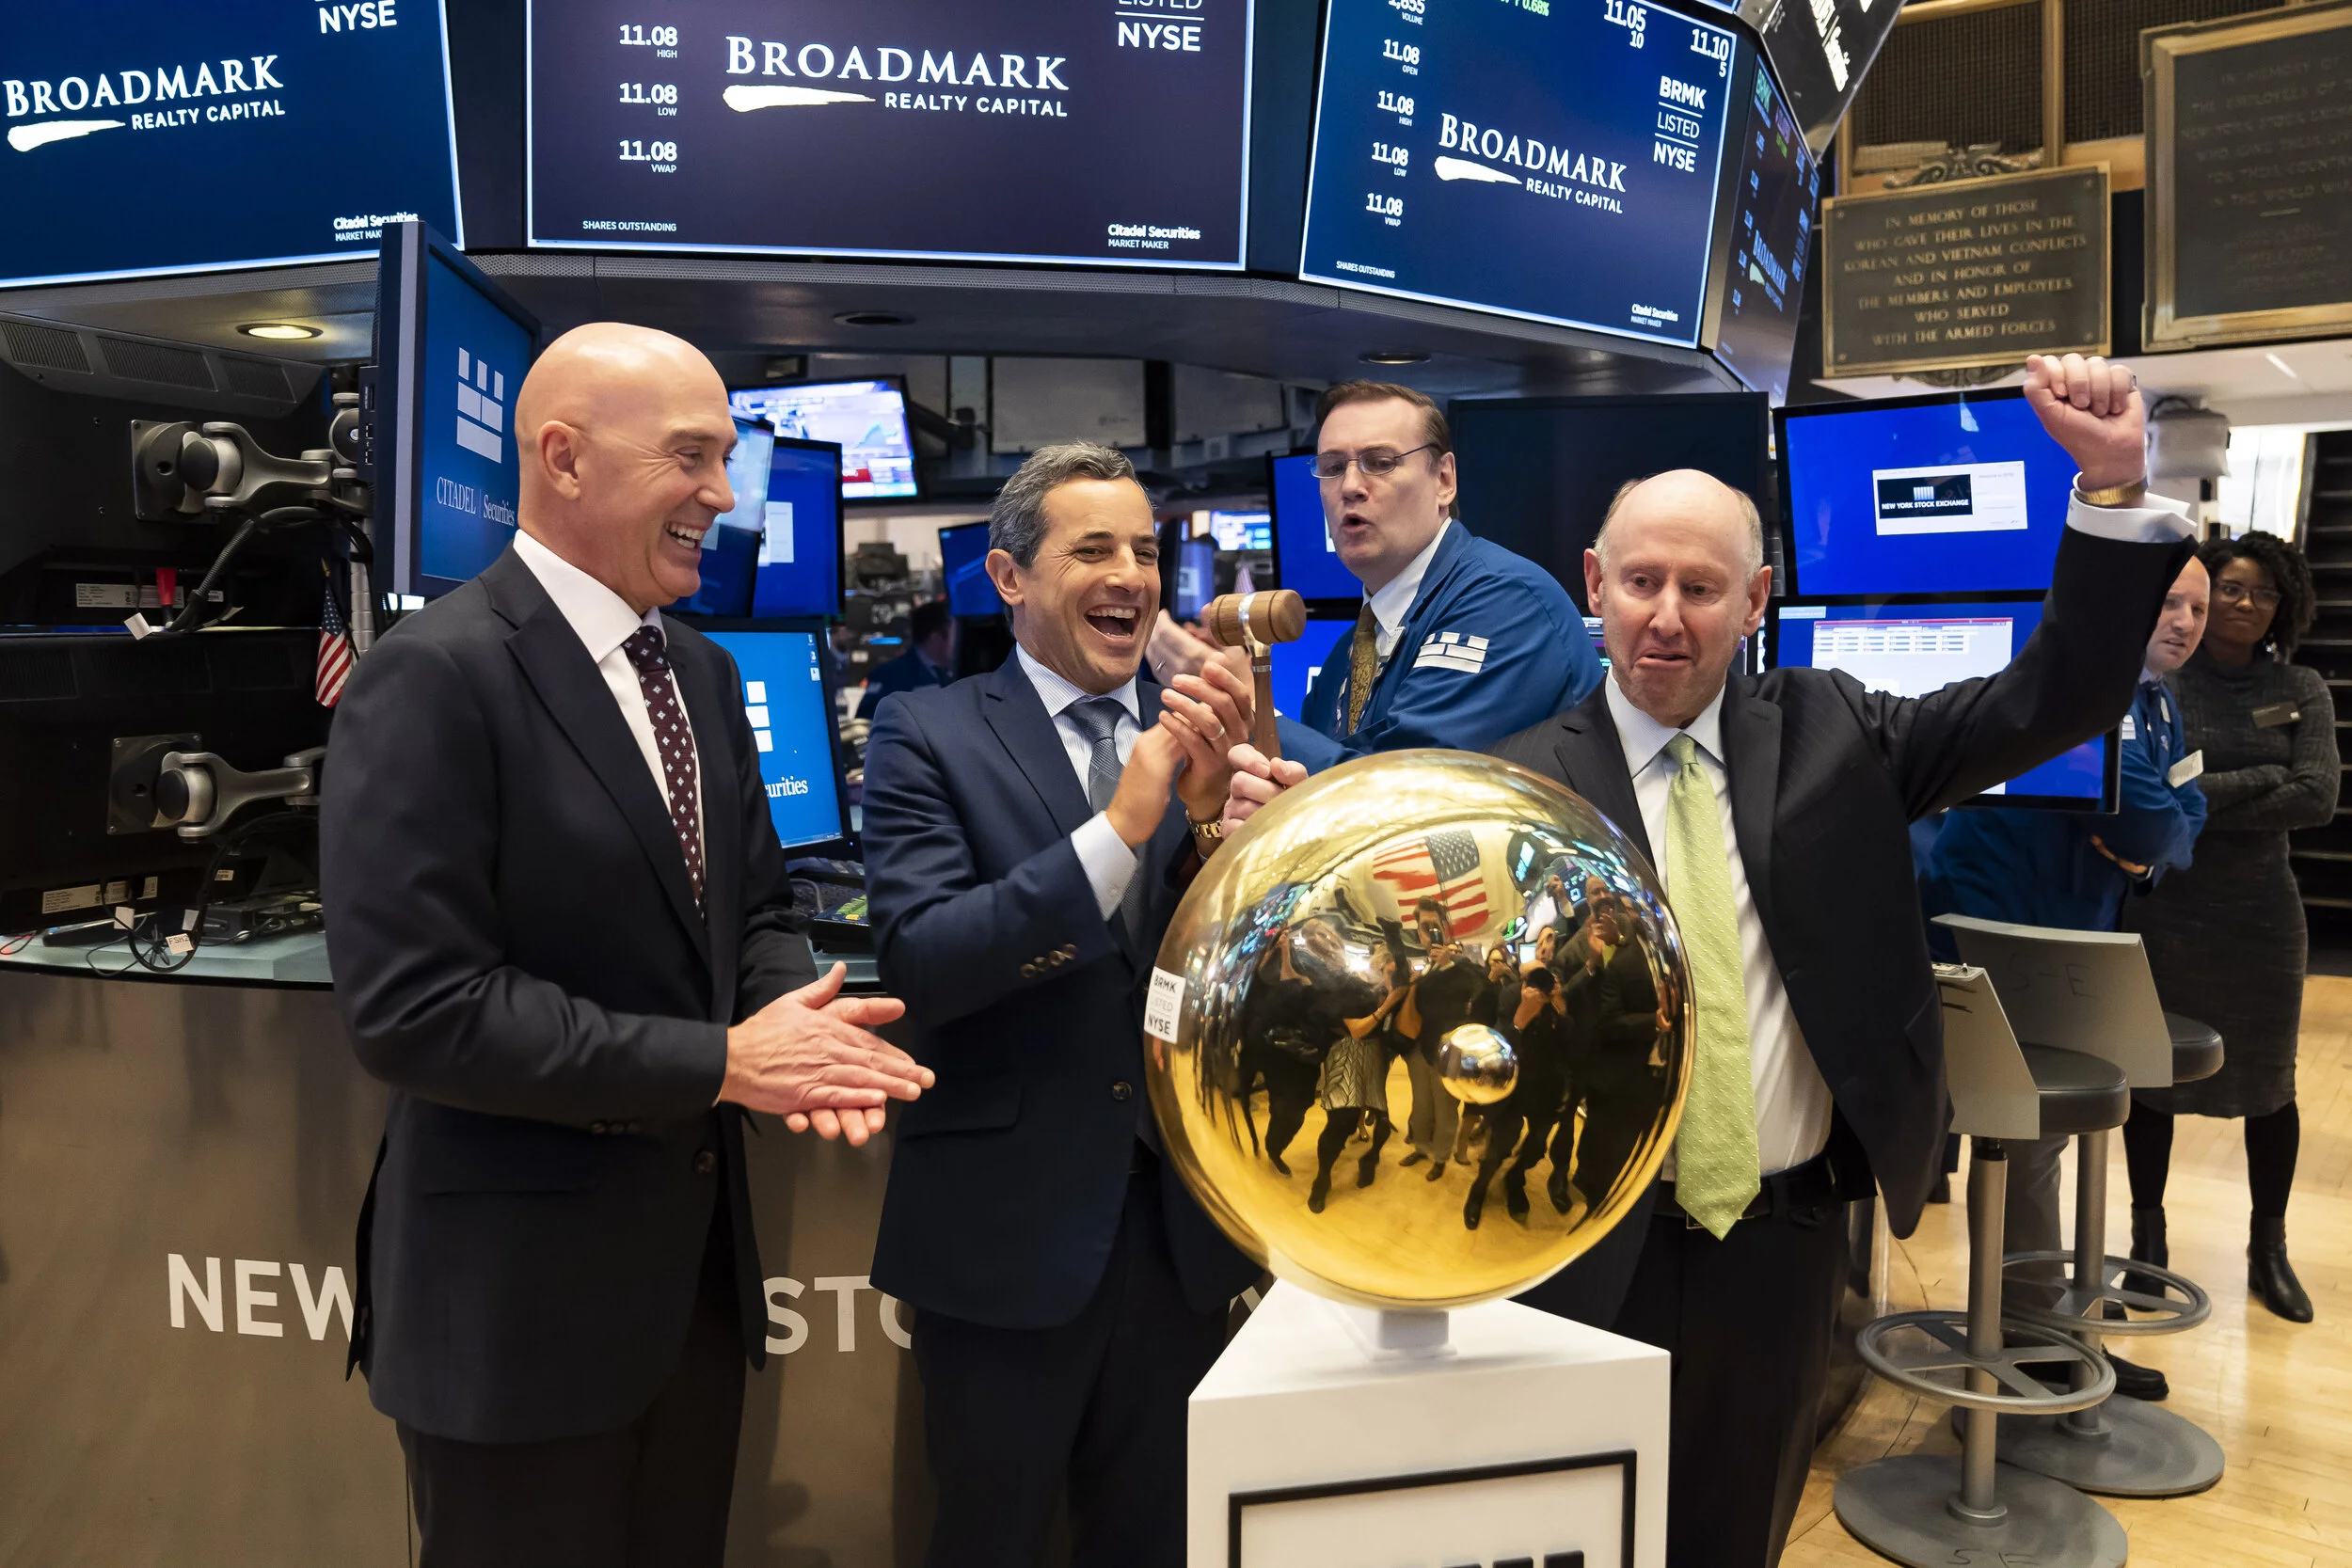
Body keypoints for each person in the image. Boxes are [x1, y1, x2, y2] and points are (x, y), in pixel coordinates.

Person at [1226, 352, 2195, 1568]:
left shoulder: (1842, 731)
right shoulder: (1518, 780)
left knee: (1735, 1523)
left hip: (1778, 1236)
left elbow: (2047, 698)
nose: (1667, 615)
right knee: (1567, 1531)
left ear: (1756, 598)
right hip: (1578, 1225)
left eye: (1701, 585)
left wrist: (2110, 490)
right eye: (1640, 581)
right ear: (1596, 585)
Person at [318, 324, 933, 1568]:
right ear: (563, 457)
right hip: (514, 1320)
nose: (723, 493)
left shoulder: (699, 671)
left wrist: (793, 1019)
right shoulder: (434, 677)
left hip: (686, 1299)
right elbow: (418, 1008)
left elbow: (755, 907)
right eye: (693, 456)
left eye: (726, 457)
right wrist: (723, 1061)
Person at [859, 443, 1262, 1568]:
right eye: (1093, 547)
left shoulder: (1210, 739)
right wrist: (1121, 830)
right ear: (1008, 577)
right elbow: (927, 960)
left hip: (1179, 1239)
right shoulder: (926, 732)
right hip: (1007, 1241)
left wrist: (1237, 841)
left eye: (1144, 547)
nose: (1129, 572)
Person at [1918, 556, 2211, 1399]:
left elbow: (2177, 822)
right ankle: (2031, 1339)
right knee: (2026, 1140)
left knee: (2054, 1142)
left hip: (2078, 935)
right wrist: (2153, 843)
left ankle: (2051, 1329)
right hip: (2007, 928)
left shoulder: (2156, 699)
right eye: (2167, 601)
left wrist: (2153, 853)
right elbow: (2153, 823)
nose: (2185, 621)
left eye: (2196, 604)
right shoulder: (2095, 690)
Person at [1150, 380, 1603, 769]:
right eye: (1331, 468)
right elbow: (1305, 794)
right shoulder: (1347, 654)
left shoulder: (1506, 602)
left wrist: (1250, 704)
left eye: (1380, 462)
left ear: (1444, 479)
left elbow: (1400, 797)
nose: (1349, 486)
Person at [2121, 530, 2336, 1323]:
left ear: (2285, 606)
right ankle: (2148, 1244)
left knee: (2270, 1088)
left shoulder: (2303, 686)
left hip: (2262, 919)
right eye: (2230, 590)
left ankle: (2268, 1249)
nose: (2246, 605)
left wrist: (2199, 788)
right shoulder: (2165, 684)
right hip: (2165, 909)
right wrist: (2255, 780)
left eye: (2263, 593)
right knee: (2153, 1082)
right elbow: (2148, 789)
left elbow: (2316, 795)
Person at [1309, 947, 1407, 1212]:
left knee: (1383, 1121)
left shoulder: (1396, 992)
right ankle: (1322, 1179)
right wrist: (1388, 1003)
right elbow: (1355, 1030)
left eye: (1397, 975)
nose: (1393, 979)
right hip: (1348, 1051)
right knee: (1341, 1123)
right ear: (1379, 967)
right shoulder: (1353, 986)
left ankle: (1370, 1160)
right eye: (1389, 972)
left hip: (1376, 1054)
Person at [856, 596, 956, 718]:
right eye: (954, 633)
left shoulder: (952, 675)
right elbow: (866, 721)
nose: (959, 640)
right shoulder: (889, 674)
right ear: (935, 638)